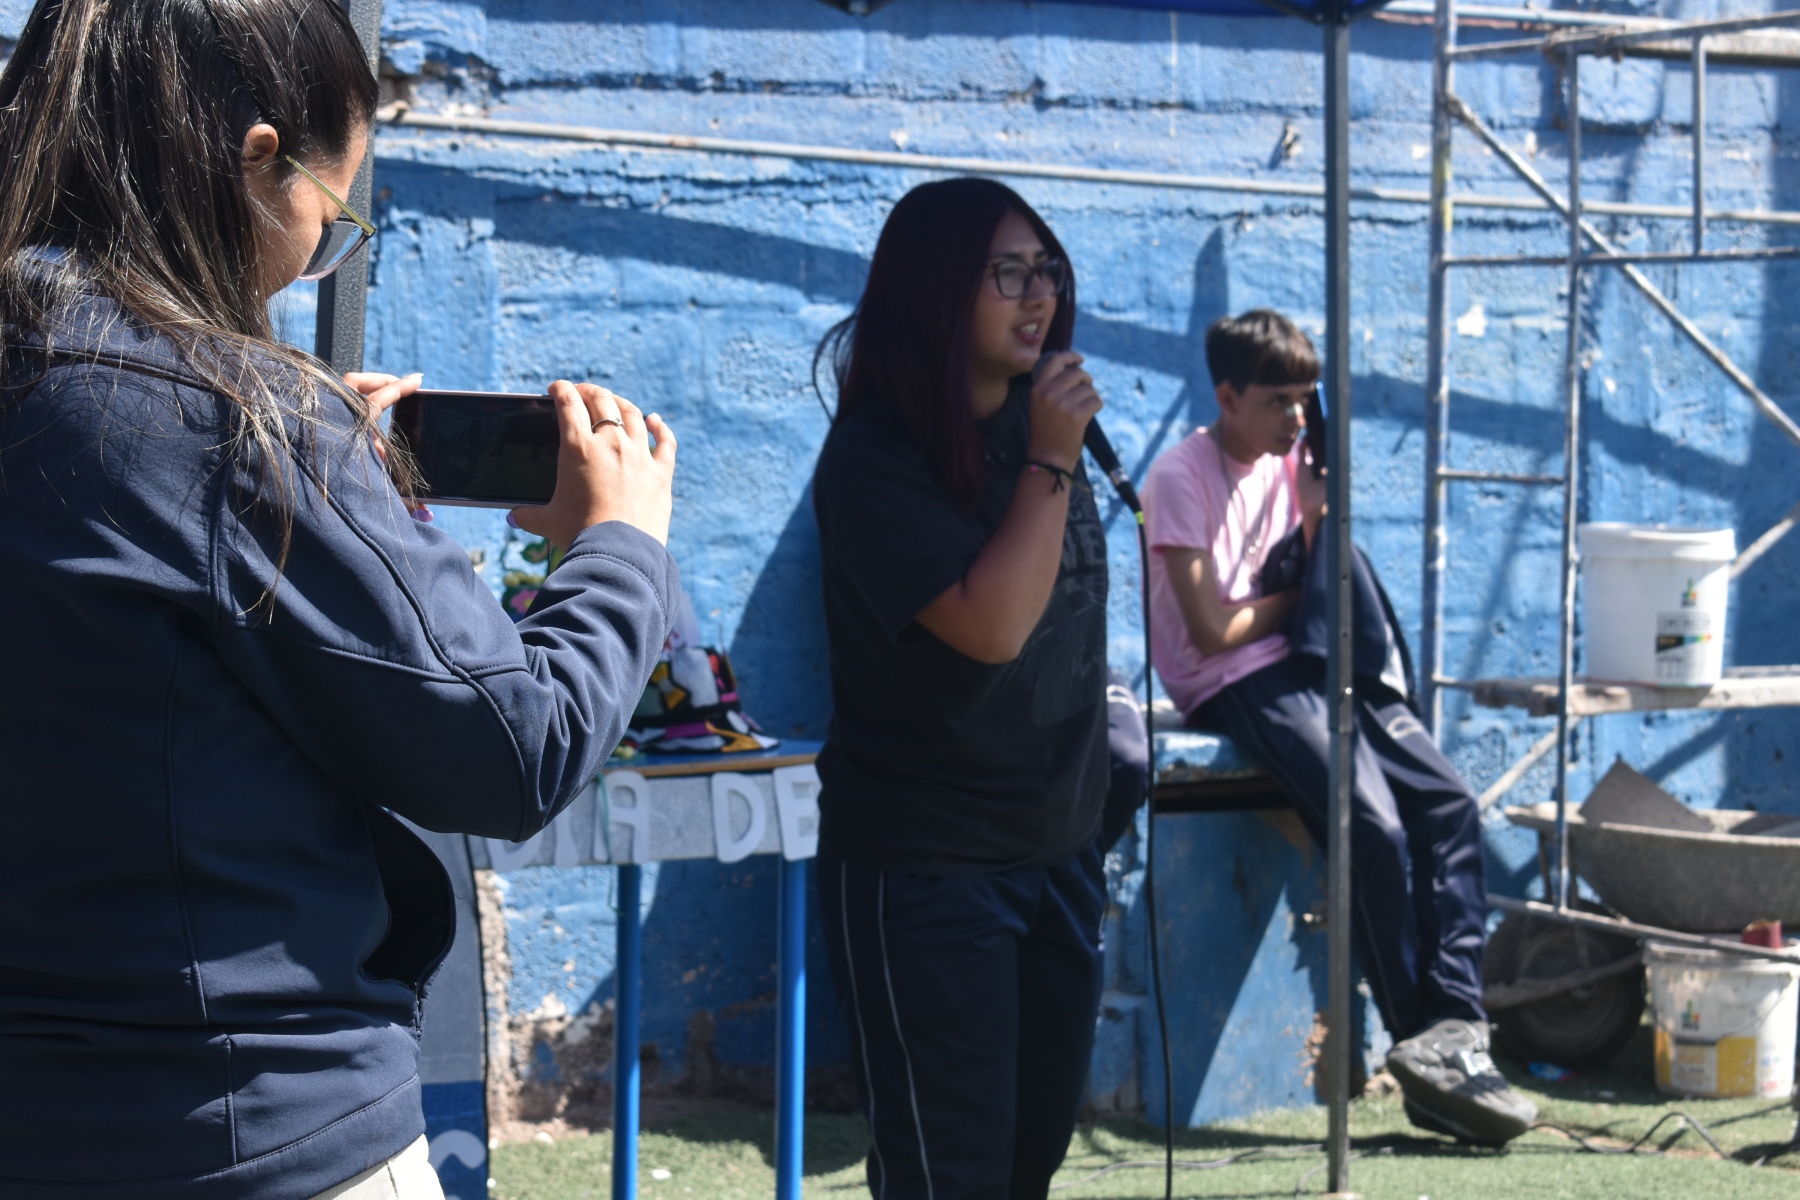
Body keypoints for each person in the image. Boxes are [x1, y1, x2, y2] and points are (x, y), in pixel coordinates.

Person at [0, 2, 677, 1197]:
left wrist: (327, 496)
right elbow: (516, 746)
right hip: (241, 1126)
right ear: (258, 160)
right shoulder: (229, 422)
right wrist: (618, 542)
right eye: (337, 213)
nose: (322, 245)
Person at [1141, 310, 1538, 1145]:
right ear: (1227, 396)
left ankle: (1456, 1024)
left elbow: (1325, 592)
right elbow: (1210, 632)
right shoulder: (1181, 476)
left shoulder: (1299, 465)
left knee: (1447, 804)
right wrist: (1303, 595)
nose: (1295, 418)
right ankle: (1416, 1036)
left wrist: (1320, 521)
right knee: (1370, 823)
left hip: (1309, 658)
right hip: (1233, 678)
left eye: (1305, 400)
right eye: (1277, 401)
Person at [810, 177, 1110, 1199]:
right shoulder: (875, 459)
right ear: (937, 288)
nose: (1039, 296)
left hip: (1058, 853)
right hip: (929, 874)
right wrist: (1052, 460)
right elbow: (991, 627)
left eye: (1047, 270)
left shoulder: (1037, 428)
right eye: (1006, 273)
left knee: (1029, 1163)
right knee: (951, 1176)